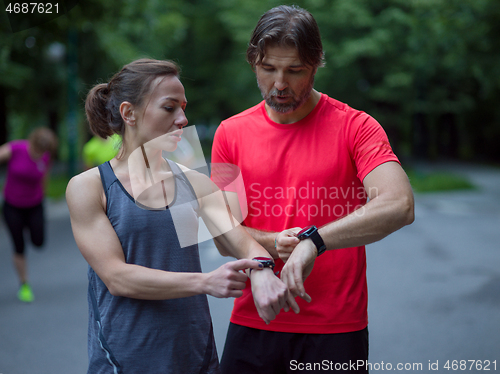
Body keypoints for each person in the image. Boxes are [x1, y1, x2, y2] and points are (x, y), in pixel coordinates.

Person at [211, 5, 415, 373]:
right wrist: (272, 246)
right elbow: (220, 232)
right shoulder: (229, 133)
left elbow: (399, 204)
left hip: (335, 329)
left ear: (317, 64)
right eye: (268, 68)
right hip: (255, 319)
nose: (279, 84)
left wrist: (313, 241)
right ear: (252, 61)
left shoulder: (357, 127)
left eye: (295, 71)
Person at [65, 58, 289, 373]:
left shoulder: (194, 180)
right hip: (125, 359)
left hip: (195, 357)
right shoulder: (89, 187)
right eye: (170, 108)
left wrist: (263, 270)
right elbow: (117, 278)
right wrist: (205, 281)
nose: (183, 119)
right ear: (129, 113)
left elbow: (241, 241)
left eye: (183, 108)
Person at [0, 127, 58, 302]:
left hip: (34, 205)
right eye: (37, 149)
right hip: (12, 205)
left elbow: (44, 178)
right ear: (31, 143)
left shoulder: (46, 157)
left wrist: (44, 197)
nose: (39, 154)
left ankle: (28, 226)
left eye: (43, 151)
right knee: (19, 245)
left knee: (38, 242)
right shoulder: (16, 148)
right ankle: (24, 284)